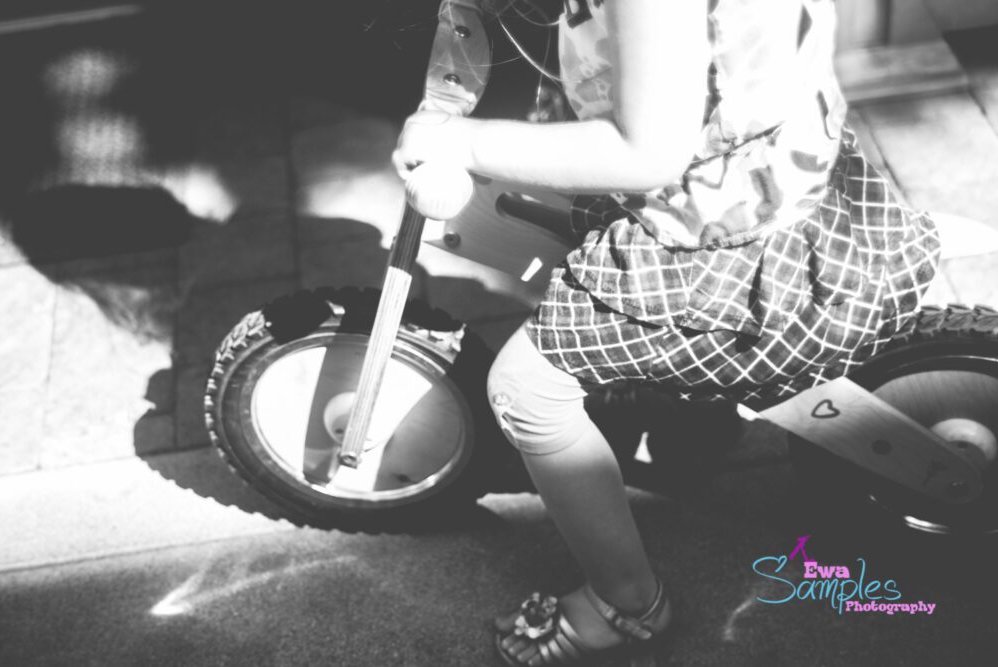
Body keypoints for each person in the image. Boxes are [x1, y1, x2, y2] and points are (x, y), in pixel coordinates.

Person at [392, 0, 940, 664]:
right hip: (771, 177)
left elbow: (644, 150)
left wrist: (463, 142)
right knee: (572, 217)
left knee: (524, 388)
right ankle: (693, 412)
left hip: (726, 249)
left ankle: (626, 600)